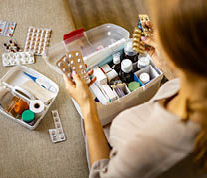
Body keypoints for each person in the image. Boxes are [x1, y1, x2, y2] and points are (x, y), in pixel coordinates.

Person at [64, 0, 207, 177]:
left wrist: (88, 108)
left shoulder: (146, 150)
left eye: (160, 28)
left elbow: (100, 174)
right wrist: (167, 67)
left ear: (177, 50)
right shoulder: (198, 85)